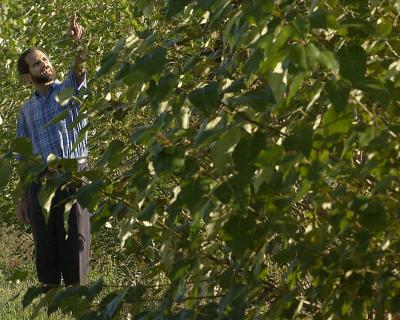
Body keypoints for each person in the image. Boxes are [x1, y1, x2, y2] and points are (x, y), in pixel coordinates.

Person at [15, 15, 90, 291]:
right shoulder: (26, 110)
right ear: (27, 77)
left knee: (75, 247)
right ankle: (52, 308)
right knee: (46, 251)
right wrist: (24, 198)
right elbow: (23, 157)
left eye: (45, 59)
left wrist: (78, 44)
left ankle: (78, 305)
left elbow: (80, 70)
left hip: (72, 176)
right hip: (40, 183)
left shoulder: (68, 90)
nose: (44, 63)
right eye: (37, 63)